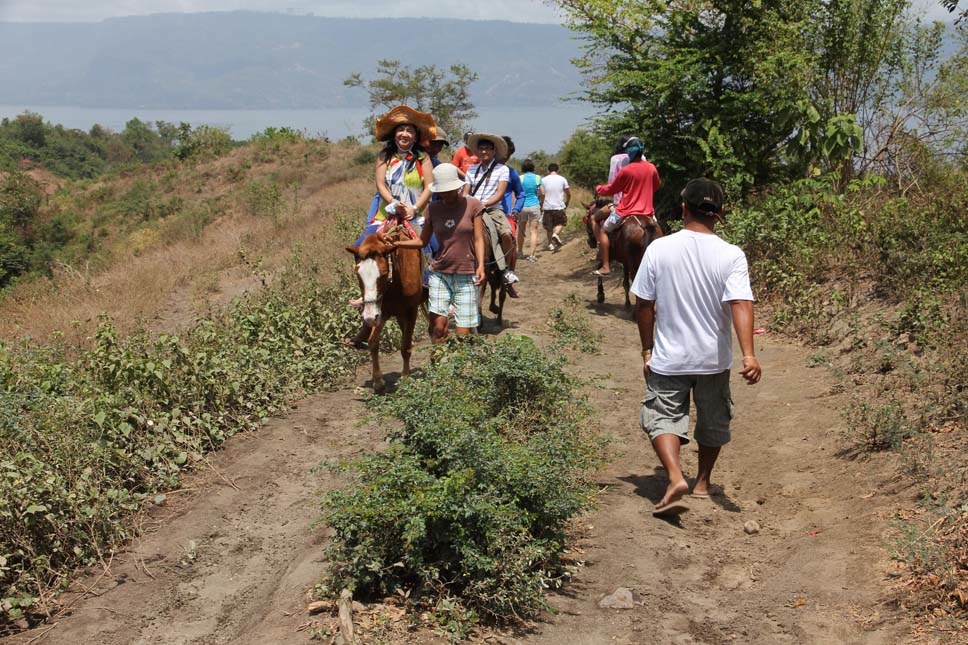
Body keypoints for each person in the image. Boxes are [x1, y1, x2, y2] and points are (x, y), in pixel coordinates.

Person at [631, 178, 762, 517]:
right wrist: (748, 354)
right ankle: (702, 483)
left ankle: (675, 476)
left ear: (683, 207)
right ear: (718, 215)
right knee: (713, 419)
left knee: (662, 417)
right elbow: (741, 303)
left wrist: (648, 349)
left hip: (669, 358)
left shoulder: (659, 248)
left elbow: (643, 305)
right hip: (712, 359)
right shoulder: (731, 255)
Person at [345, 105, 435, 348]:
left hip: (415, 214)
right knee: (359, 248)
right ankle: (367, 297)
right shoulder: (384, 156)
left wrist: (414, 208)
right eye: (400, 130)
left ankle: (433, 292)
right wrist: (393, 203)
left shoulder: (422, 158)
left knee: (432, 247)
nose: (404, 134)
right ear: (394, 134)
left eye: (409, 130)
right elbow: (380, 183)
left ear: (416, 136)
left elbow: (429, 186)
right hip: (386, 214)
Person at [390, 163, 486, 341]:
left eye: (449, 190)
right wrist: (397, 244)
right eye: (442, 191)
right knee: (439, 328)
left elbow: (479, 238)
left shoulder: (473, 206)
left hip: (466, 273)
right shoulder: (433, 209)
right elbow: (422, 241)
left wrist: (480, 265)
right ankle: (437, 365)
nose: (446, 195)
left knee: (462, 336)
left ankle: (456, 367)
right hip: (440, 272)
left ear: (457, 187)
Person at [462, 132, 520, 298]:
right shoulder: (471, 170)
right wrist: (463, 204)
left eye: (488, 148)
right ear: (477, 151)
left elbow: (500, 193)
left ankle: (506, 270)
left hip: (493, 209)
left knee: (507, 233)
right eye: (481, 148)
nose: (484, 151)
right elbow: (466, 191)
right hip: (472, 208)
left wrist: (483, 204)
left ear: (494, 151)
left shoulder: (502, 170)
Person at [593, 137, 660, 275]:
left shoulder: (626, 170)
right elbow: (656, 185)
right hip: (648, 212)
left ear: (629, 152)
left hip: (625, 211)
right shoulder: (651, 168)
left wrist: (599, 188)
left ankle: (605, 265)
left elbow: (611, 189)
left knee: (604, 231)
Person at [500, 136, 524, 261]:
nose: (505, 158)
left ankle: (509, 269)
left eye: (508, 155)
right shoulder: (480, 170)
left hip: (505, 214)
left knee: (509, 238)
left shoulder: (511, 172)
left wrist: (516, 210)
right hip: (481, 210)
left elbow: (521, 194)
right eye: (504, 154)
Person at [540, 163, 570, 252]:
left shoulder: (543, 180)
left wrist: (541, 205)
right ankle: (556, 234)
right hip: (559, 205)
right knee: (561, 222)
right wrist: (567, 201)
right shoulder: (562, 179)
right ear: (558, 170)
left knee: (549, 226)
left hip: (547, 206)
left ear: (548, 170)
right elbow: (568, 193)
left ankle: (550, 244)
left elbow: (541, 194)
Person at [517, 159, 542, 261]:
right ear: (533, 167)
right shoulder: (537, 178)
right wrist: (541, 202)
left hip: (522, 206)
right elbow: (543, 192)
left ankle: (520, 252)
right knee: (533, 231)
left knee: (521, 230)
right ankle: (532, 255)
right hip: (534, 205)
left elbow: (517, 192)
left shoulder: (520, 178)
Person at [608, 134, 632, 205]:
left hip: (621, 201)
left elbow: (611, 180)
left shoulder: (615, 159)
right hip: (642, 202)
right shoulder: (642, 158)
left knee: (595, 216)